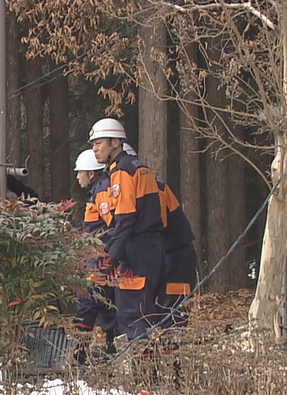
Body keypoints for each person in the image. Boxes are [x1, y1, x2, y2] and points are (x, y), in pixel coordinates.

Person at [88, 118, 166, 341]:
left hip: (137, 251)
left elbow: (125, 219)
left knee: (133, 316)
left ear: (115, 142)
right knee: (153, 314)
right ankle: (161, 372)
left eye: (99, 143)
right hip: (154, 249)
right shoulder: (140, 168)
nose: (94, 149)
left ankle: (142, 375)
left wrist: (112, 257)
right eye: (93, 144)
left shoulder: (121, 172)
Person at [72, 149, 119, 351]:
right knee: (109, 312)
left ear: (91, 173)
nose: (77, 177)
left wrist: (103, 262)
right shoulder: (98, 191)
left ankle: (77, 359)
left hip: (99, 267)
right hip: (101, 264)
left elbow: (113, 226)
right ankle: (113, 354)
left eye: (80, 172)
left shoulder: (101, 193)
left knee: (86, 309)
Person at [156, 181, 199, 332]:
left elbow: (157, 225)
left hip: (176, 255)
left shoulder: (157, 190)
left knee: (173, 309)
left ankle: (170, 346)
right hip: (162, 255)